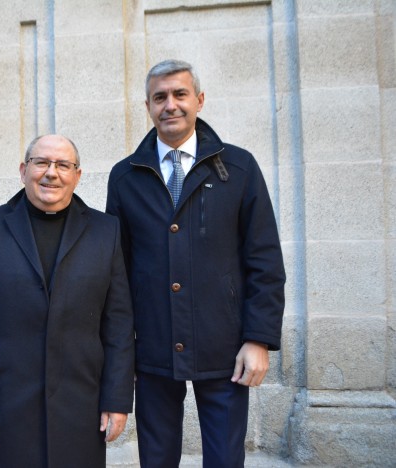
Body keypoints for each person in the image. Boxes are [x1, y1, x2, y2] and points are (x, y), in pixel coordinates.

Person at [106, 59, 286, 467]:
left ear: (199, 100)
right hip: (151, 345)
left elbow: (264, 259)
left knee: (225, 457)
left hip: (225, 344)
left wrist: (258, 339)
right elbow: (116, 270)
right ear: (148, 106)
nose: (170, 105)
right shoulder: (125, 177)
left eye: (180, 95)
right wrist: (121, 351)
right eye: (159, 97)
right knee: (156, 457)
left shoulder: (238, 168)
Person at [0, 134, 135, 468]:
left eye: (63, 165)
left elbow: (119, 324)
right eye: (42, 163)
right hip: (4, 407)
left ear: (77, 176)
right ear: (24, 171)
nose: (52, 173)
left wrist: (118, 399)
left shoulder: (106, 231)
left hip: (81, 406)